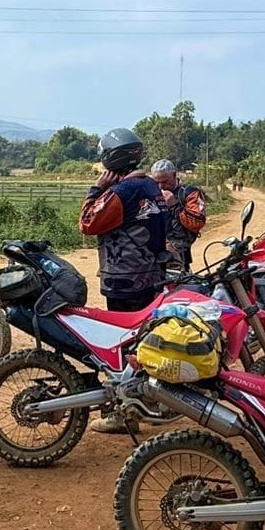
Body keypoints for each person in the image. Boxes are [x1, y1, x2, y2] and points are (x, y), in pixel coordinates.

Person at [80, 129, 169, 435]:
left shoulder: (122, 191)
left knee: (121, 348)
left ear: (111, 158)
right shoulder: (150, 186)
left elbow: (88, 223)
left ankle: (124, 415)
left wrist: (96, 189)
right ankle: (154, 402)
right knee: (146, 343)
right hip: (151, 276)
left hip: (124, 279)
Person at [150, 159, 207, 274]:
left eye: (165, 182)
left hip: (179, 251)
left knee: (178, 281)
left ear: (174, 175)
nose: (161, 186)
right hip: (156, 250)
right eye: (157, 183)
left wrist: (174, 206)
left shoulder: (189, 193)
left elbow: (197, 223)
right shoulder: (154, 192)